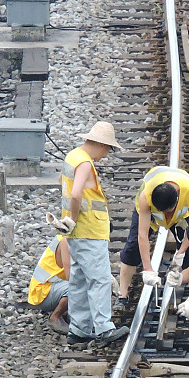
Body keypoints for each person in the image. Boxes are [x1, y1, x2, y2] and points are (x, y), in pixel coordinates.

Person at [52, 121, 129, 346]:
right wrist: (73, 220)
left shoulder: (72, 156)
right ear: (102, 145)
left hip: (77, 233)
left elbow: (63, 184)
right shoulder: (85, 163)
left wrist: (68, 220)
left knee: (79, 280)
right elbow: (76, 195)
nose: (106, 154)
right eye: (109, 149)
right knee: (99, 279)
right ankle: (104, 328)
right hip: (88, 230)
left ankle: (79, 329)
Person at [115, 165, 189, 310]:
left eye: (168, 211)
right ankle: (122, 295)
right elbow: (142, 235)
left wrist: (181, 253)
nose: (166, 216)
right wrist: (148, 268)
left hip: (180, 217)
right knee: (133, 246)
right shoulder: (145, 197)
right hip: (149, 213)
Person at [26, 235, 70, 335]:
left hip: (55, 286)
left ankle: (68, 313)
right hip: (42, 293)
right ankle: (55, 317)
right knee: (77, 288)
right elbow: (71, 276)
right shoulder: (66, 241)